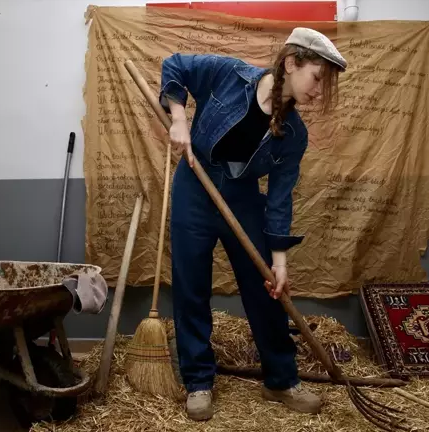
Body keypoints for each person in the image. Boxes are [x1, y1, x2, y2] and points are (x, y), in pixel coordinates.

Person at [158, 27, 347, 421]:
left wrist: (279, 263)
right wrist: (178, 117)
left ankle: (280, 379)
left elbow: (278, 200)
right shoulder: (229, 74)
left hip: (242, 198)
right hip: (196, 184)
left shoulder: (294, 134)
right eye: (317, 79)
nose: (318, 92)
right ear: (292, 63)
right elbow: (175, 65)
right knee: (192, 286)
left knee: (265, 292)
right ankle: (198, 382)